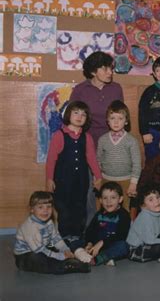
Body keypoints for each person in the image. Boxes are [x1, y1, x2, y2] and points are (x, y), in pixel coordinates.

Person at [69, 51, 123, 223]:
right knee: (90, 188)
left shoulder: (116, 88)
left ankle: (113, 223)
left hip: (111, 143)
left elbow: (120, 116)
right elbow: (72, 118)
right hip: (87, 144)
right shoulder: (80, 90)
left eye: (111, 68)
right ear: (93, 71)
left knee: (110, 186)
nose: (110, 72)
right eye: (105, 68)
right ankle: (91, 226)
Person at [45, 101, 102, 243]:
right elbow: (51, 159)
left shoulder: (87, 137)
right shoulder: (59, 135)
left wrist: (98, 176)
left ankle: (76, 237)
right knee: (64, 211)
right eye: (76, 112)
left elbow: (91, 158)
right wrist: (49, 179)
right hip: (62, 182)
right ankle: (64, 238)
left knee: (79, 210)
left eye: (83, 114)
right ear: (68, 114)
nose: (79, 116)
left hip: (81, 182)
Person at [14, 191, 90, 274]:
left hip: (43, 248)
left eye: (48, 207)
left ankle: (68, 260)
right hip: (26, 256)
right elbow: (38, 250)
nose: (45, 210)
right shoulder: (30, 227)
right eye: (40, 207)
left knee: (57, 247)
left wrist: (65, 250)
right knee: (39, 258)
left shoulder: (49, 223)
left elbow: (56, 239)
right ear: (32, 209)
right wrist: (59, 256)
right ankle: (65, 266)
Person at [96, 100, 141, 213]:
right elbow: (98, 160)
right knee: (104, 210)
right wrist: (97, 178)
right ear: (107, 120)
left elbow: (137, 163)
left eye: (120, 118)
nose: (116, 122)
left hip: (126, 181)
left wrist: (133, 183)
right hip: (106, 180)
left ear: (126, 121)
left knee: (124, 211)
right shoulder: (103, 139)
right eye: (112, 118)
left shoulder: (131, 140)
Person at [126, 183, 160, 263]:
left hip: (147, 243)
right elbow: (149, 240)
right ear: (143, 206)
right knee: (159, 247)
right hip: (136, 248)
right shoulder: (145, 217)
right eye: (151, 199)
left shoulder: (158, 213)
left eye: (158, 197)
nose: (156, 201)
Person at [84, 182, 130, 266]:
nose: (108, 201)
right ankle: (83, 254)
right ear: (100, 200)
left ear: (120, 199)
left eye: (113, 197)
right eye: (105, 198)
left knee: (124, 246)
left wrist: (103, 242)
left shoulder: (124, 215)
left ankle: (101, 258)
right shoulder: (99, 214)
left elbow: (121, 236)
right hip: (96, 246)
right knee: (78, 240)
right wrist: (89, 243)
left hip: (111, 245)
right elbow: (90, 230)